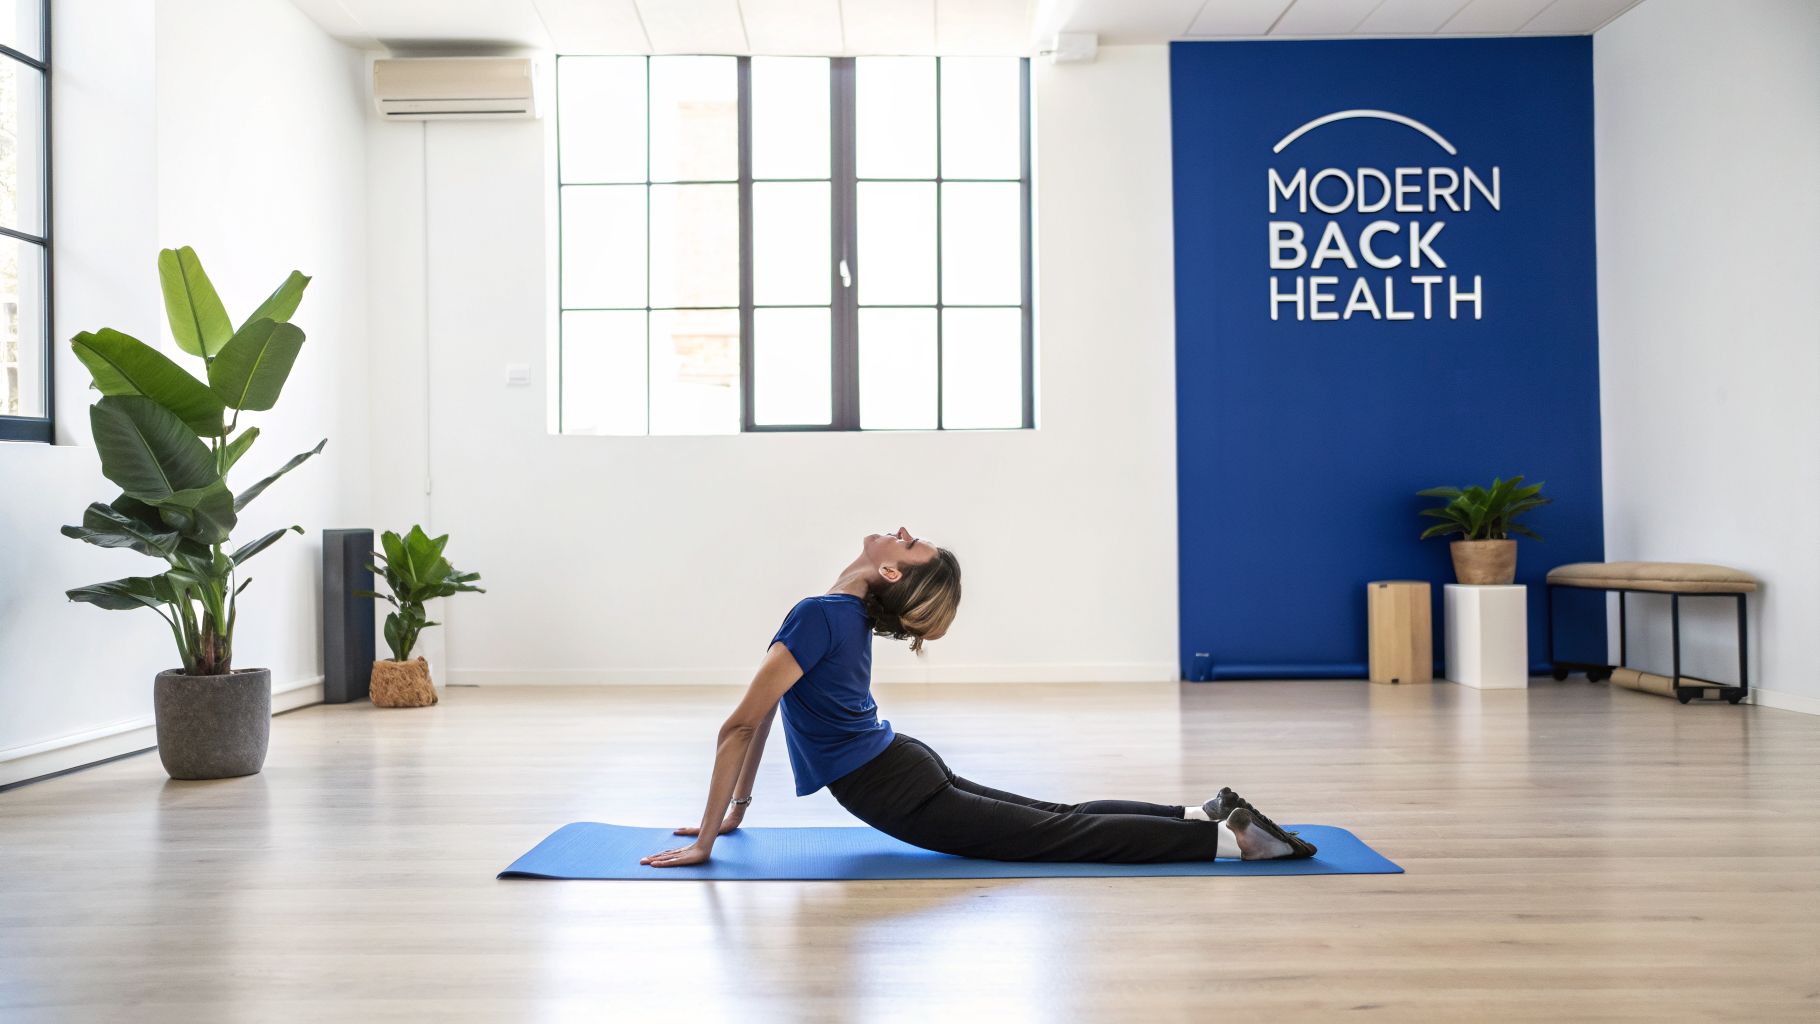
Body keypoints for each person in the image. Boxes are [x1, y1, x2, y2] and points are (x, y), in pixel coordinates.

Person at [640, 527, 1316, 868]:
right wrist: (731, 816)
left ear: (889, 569)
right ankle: (1205, 812)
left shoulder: (820, 614)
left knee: (1058, 835)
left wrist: (707, 840)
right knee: (1061, 817)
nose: (898, 530)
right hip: (901, 766)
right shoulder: (833, 617)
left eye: (906, 541)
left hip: (892, 785)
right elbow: (755, 723)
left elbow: (739, 726)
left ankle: (1232, 843)